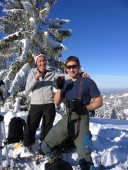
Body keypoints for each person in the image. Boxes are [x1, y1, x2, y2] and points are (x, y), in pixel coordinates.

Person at [41, 56, 103, 170]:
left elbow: (99, 102)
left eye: (74, 66)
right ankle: (57, 160)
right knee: (45, 146)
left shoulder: (88, 82)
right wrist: (59, 88)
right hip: (67, 118)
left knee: (86, 162)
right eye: (68, 67)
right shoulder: (66, 83)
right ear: (66, 69)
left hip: (81, 119)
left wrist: (84, 108)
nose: (71, 69)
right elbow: (56, 102)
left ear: (79, 67)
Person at [23, 53, 89, 150]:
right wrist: (36, 78)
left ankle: (44, 145)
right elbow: (27, 89)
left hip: (49, 104)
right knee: (32, 125)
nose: (42, 63)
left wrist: (79, 74)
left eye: (43, 60)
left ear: (46, 61)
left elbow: (65, 76)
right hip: (35, 104)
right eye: (39, 61)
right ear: (36, 62)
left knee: (47, 126)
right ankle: (28, 143)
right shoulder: (32, 73)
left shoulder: (51, 73)